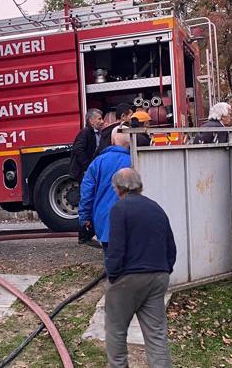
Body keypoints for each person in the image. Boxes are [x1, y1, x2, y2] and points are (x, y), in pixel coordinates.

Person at [105, 168, 176, 368]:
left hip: (128, 279)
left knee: (116, 329)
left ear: (117, 189)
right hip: (158, 276)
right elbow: (171, 247)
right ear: (141, 186)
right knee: (156, 334)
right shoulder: (157, 208)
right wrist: (164, 270)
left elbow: (116, 249)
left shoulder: (119, 209)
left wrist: (112, 275)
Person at [78, 131, 131, 252]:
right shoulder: (134, 161)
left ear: (112, 141)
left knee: (110, 257)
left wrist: (85, 217)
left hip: (104, 219)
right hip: (130, 219)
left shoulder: (98, 162)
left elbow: (87, 192)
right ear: (129, 143)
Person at [68, 108, 104, 245]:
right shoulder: (85, 133)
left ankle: (89, 232)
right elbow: (78, 150)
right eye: (99, 119)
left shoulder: (98, 133)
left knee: (92, 199)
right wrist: (88, 167)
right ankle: (83, 234)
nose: (102, 121)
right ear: (91, 120)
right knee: (87, 199)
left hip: (90, 170)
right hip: (84, 171)